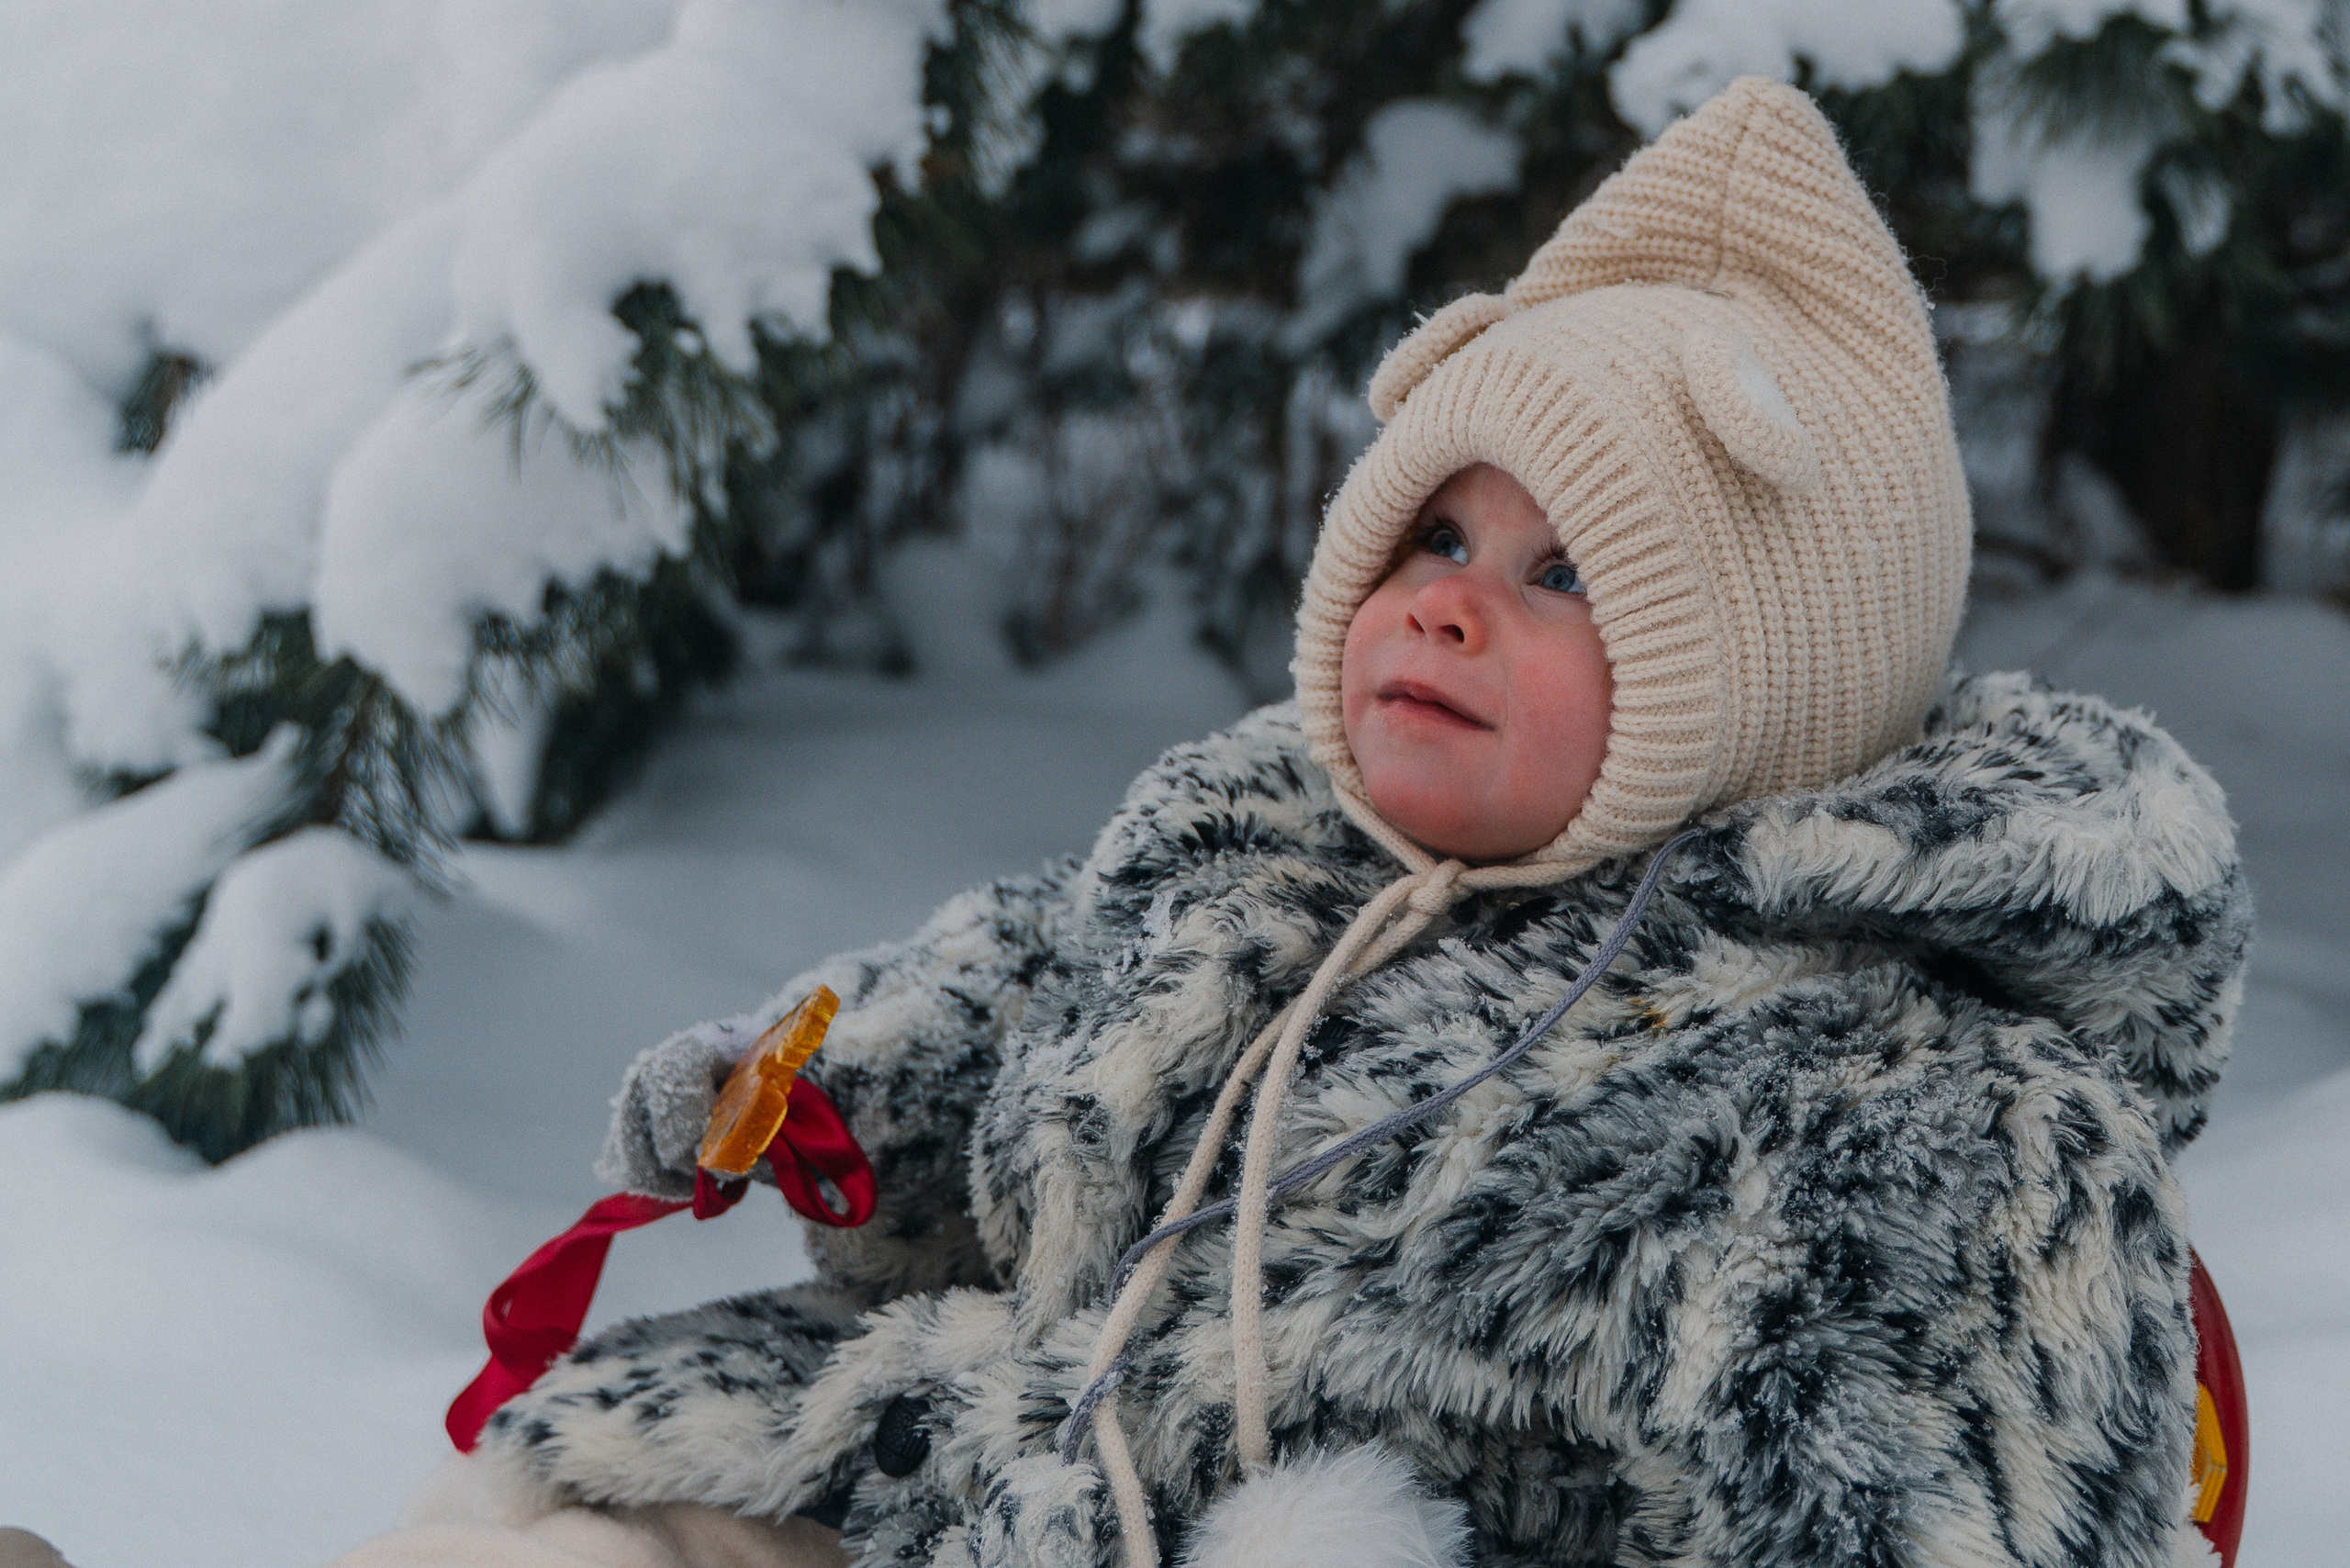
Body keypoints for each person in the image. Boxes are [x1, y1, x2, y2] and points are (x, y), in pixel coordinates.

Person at [328, 77, 2247, 1568]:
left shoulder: (1906, 1109)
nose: (1448, 603)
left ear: (1761, 689)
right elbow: (1020, 1064)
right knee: (559, 1518)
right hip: (1009, 1482)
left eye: (1566, 574)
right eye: (1435, 534)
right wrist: (833, 1099)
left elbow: (1914, 1504)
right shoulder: (1246, 854)